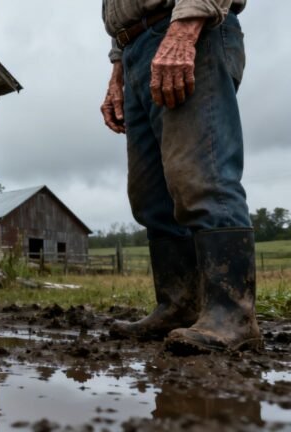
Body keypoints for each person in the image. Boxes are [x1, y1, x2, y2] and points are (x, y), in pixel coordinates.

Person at [100, 0, 262, 353]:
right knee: (151, 198)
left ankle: (232, 315)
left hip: (190, 28)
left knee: (202, 180)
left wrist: (185, 30)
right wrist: (118, 69)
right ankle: (178, 306)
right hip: (134, 48)